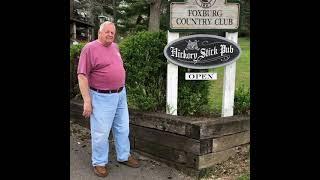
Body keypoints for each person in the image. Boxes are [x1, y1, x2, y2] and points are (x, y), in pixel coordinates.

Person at [77, 21, 140, 177]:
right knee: (101, 132)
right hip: (101, 96)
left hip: (120, 94)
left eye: (113, 32)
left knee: (123, 128)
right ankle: (99, 162)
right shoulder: (89, 49)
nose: (111, 34)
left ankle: (124, 155)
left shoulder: (115, 47)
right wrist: (87, 101)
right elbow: (82, 76)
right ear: (99, 32)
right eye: (107, 31)